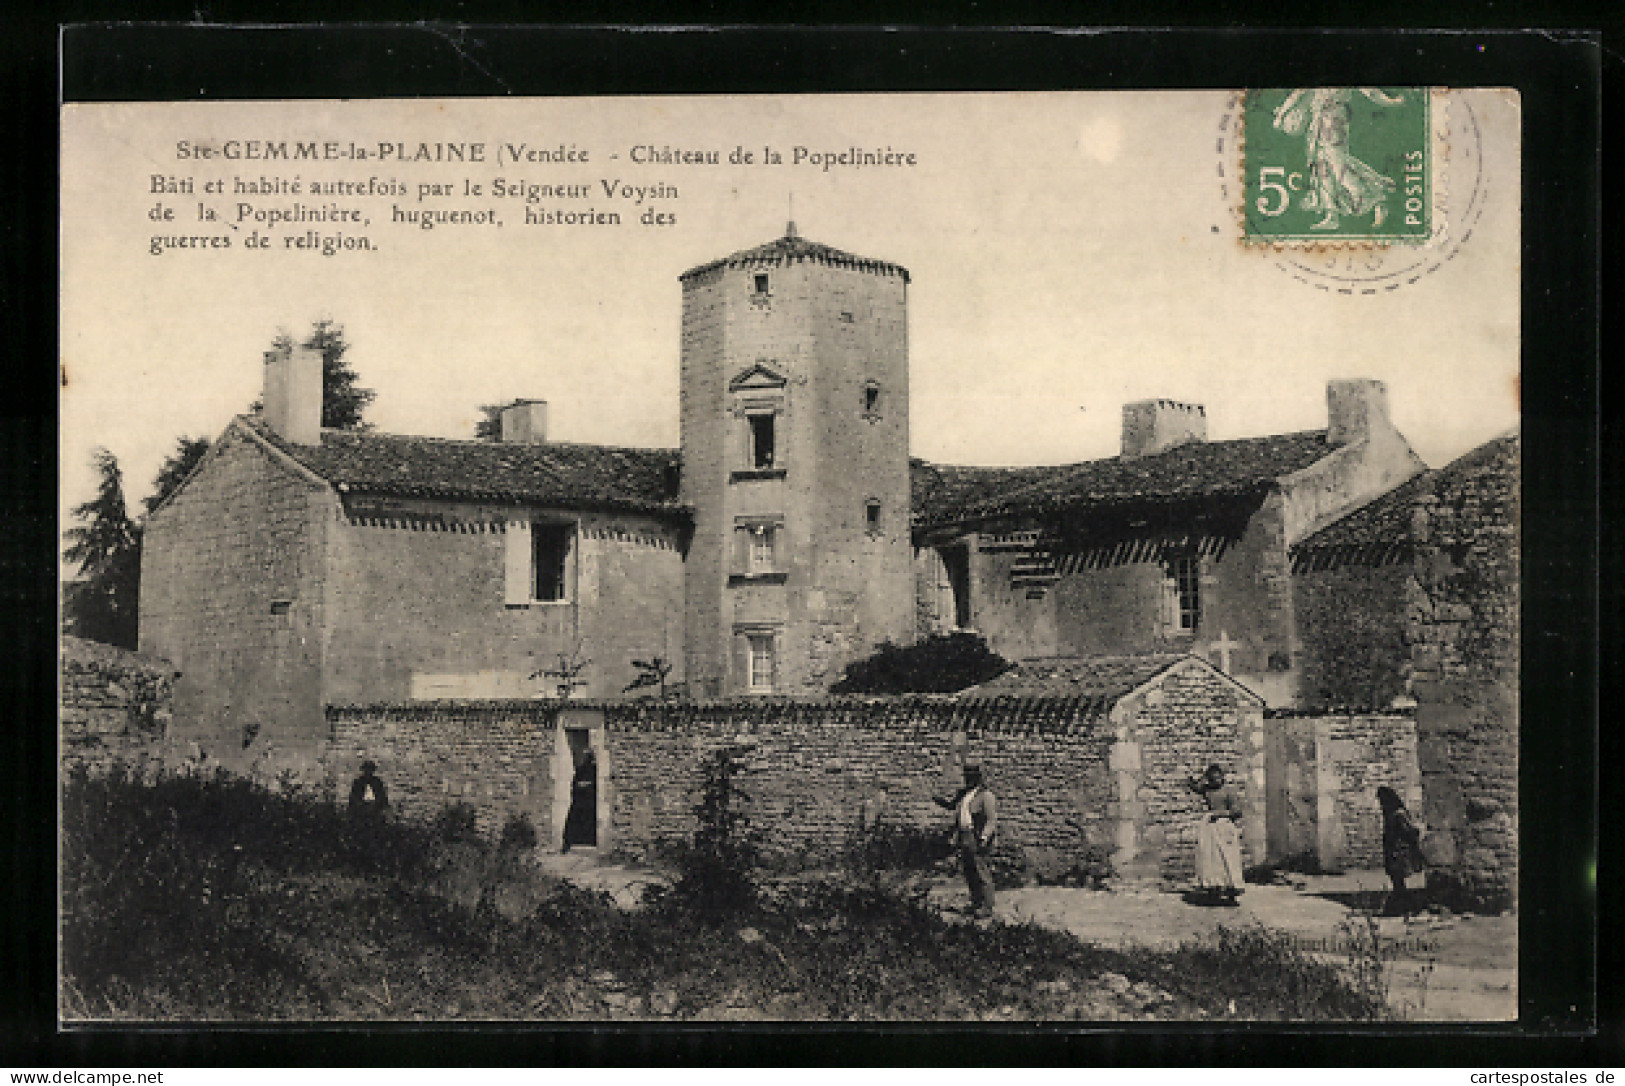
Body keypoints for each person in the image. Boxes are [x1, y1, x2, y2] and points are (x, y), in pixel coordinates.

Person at [1272, 87, 1405, 231]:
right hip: (1318, 121)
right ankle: (1332, 215)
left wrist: (1391, 102)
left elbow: (1370, 91)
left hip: (1333, 121)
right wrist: (1281, 115)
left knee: (1338, 166)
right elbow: (1298, 93)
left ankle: (1377, 197)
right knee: (1322, 167)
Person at [933, 760, 998, 918]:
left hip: (977, 836)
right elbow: (951, 806)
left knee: (981, 870)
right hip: (964, 836)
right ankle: (976, 903)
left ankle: (987, 907)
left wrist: (984, 837)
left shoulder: (986, 796)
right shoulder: (963, 794)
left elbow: (991, 820)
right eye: (966, 777)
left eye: (971, 777)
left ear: (978, 778)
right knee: (969, 871)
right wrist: (938, 800)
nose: (968, 780)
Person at [1186, 763, 1244, 905]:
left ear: (1222, 777)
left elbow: (1237, 812)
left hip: (1225, 827)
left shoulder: (1229, 791)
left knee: (1228, 859)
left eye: (1218, 778)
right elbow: (1194, 786)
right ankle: (1213, 889)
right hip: (1211, 827)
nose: (1216, 781)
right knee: (1211, 858)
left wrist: (1220, 813)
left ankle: (1232, 890)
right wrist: (1198, 777)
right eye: (1212, 779)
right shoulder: (1208, 790)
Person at [1377, 785, 1425, 915]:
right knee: (1398, 882)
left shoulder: (1398, 815)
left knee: (1399, 881)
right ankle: (1403, 906)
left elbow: (1410, 831)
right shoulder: (1392, 814)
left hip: (1399, 853)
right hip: (1394, 851)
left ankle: (1404, 906)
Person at [562, 750, 597, 852]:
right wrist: (580, 786)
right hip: (580, 800)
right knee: (573, 820)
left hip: (589, 801)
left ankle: (589, 840)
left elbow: (596, 785)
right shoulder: (580, 769)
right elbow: (574, 784)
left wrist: (587, 785)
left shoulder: (594, 770)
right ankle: (568, 842)